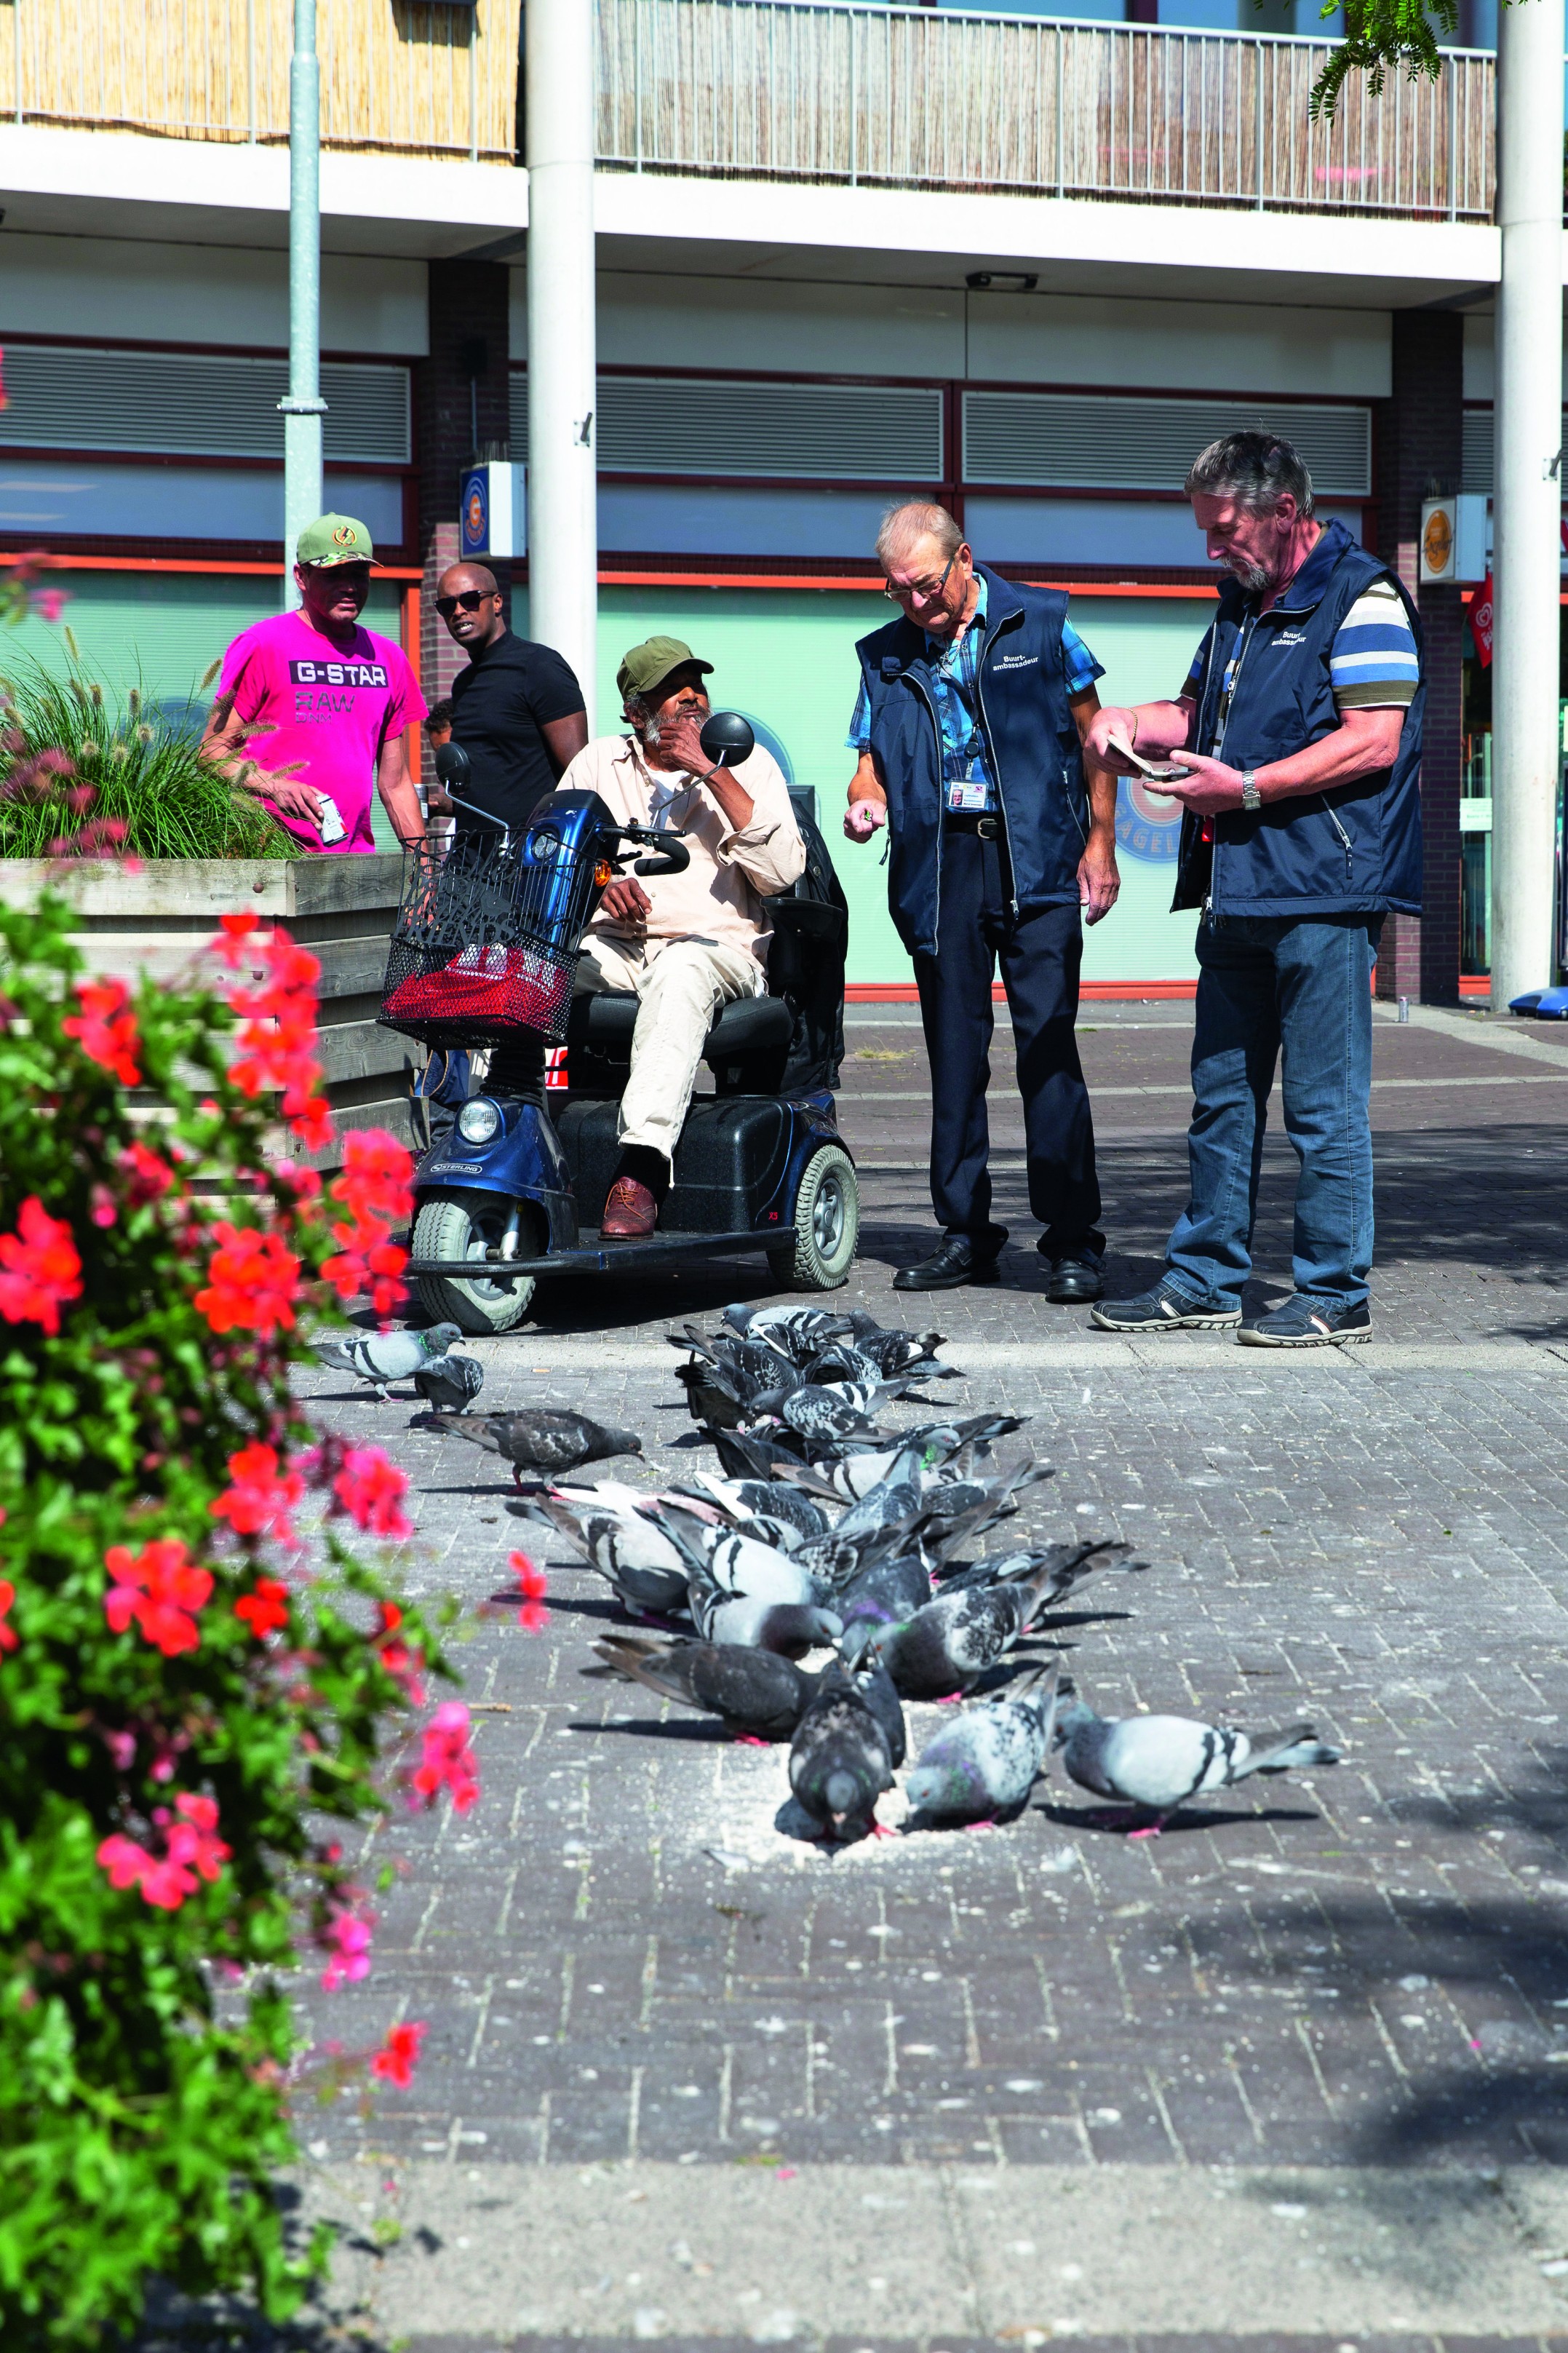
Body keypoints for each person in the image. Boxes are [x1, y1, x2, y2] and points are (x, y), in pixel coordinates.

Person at [1086, 431, 1422, 1348]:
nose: (1210, 549)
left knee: (1322, 1104)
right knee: (1221, 1098)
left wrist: (1246, 788)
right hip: (1238, 885)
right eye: (1203, 530)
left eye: (1223, 528)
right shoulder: (1239, 604)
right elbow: (1199, 712)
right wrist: (1134, 722)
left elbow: (1373, 738)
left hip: (1322, 891)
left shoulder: (1364, 599)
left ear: (1284, 512)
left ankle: (1333, 1289)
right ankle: (1203, 1276)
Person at [843, 501, 1119, 1298]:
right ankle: (964, 1232)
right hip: (941, 868)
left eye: (924, 586)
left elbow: (1097, 742)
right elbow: (867, 754)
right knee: (954, 1058)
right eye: (895, 591)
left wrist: (1099, 846)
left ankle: (1073, 1240)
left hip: (1035, 854)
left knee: (1048, 1053)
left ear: (964, 560)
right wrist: (868, 796)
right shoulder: (885, 655)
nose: (914, 604)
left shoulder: (1041, 624)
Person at [555, 636, 805, 1239]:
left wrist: (712, 771)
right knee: (536, 969)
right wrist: (602, 878)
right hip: (617, 941)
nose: (694, 699)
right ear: (637, 713)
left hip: (716, 947)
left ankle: (640, 1168)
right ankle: (496, 1128)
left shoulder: (745, 760)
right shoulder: (597, 762)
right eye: (675, 693)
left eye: (698, 687)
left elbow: (782, 872)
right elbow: (556, 857)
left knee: (679, 972)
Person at [205, 513, 426, 852]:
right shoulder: (263, 645)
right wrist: (276, 786)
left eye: (358, 574)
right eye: (333, 574)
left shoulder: (388, 658)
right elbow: (211, 752)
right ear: (301, 577)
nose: (349, 586)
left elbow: (395, 784)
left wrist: (423, 871)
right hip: (267, 860)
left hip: (352, 863)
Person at [435, 562, 588, 834]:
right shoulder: (463, 683)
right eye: (447, 606)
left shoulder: (539, 666)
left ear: (496, 603)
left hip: (528, 861)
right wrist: (447, 805)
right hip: (472, 859)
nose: (458, 612)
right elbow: (495, 779)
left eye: (470, 600)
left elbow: (579, 775)